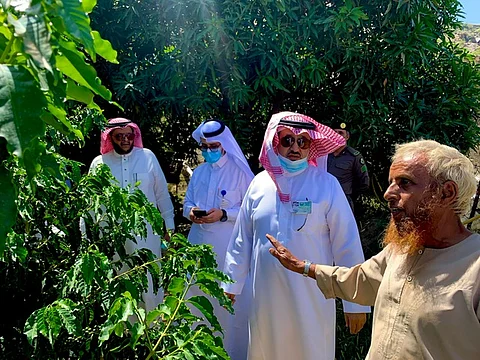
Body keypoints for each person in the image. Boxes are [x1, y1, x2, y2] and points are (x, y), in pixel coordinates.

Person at [268, 139, 480, 360]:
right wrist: (303, 267)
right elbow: (360, 279)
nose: (388, 193)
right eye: (391, 183)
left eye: (404, 183)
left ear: (446, 193)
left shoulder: (475, 266)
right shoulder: (400, 251)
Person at [222, 112, 370, 360]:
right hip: (265, 296)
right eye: (288, 140)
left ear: (311, 146)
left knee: (310, 349)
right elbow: (241, 240)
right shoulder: (259, 184)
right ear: (274, 141)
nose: (295, 148)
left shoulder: (327, 185)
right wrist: (231, 285)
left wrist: (355, 301)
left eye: (303, 142)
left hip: (311, 296)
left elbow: (347, 244)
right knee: (264, 348)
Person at [183, 119, 254, 360]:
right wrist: (192, 213)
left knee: (227, 302)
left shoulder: (240, 173)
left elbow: (249, 211)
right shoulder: (200, 172)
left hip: (228, 246)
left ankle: (231, 351)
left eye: (213, 146)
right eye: (204, 146)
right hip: (198, 243)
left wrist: (223, 214)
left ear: (224, 145)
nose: (208, 151)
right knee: (196, 296)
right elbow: (187, 203)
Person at [89, 117, 175, 311]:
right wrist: (89, 237)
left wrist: (169, 227)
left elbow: (161, 193)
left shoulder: (147, 157)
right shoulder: (99, 164)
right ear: (110, 137)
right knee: (118, 282)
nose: (125, 140)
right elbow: (90, 203)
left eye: (129, 136)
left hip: (146, 234)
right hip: (112, 236)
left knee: (150, 279)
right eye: (120, 136)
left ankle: (152, 329)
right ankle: (124, 332)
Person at [327, 121, 369, 212]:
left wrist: (348, 195)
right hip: (324, 199)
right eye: (335, 133)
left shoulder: (354, 156)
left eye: (341, 133)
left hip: (343, 201)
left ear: (347, 136)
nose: (337, 135)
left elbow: (363, 182)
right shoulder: (324, 154)